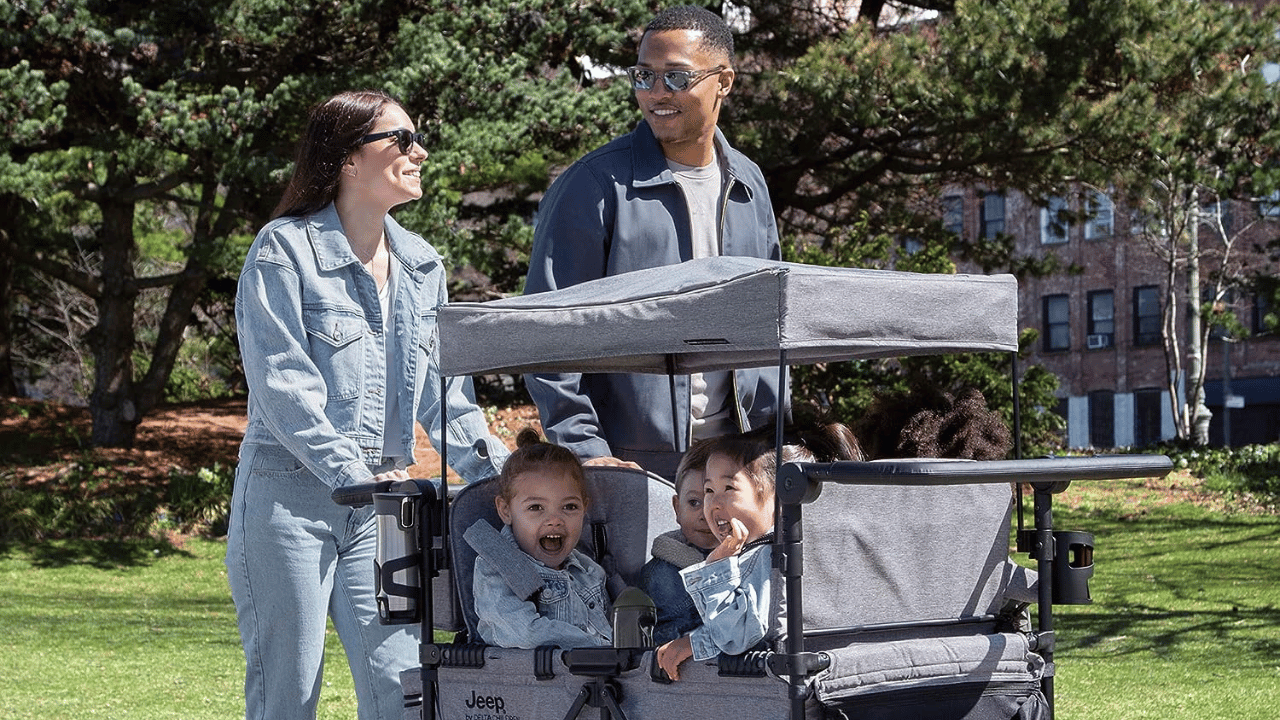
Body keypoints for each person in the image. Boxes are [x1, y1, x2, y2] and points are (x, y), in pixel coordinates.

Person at [227, 89, 510, 720]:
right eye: (402, 139)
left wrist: (505, 478)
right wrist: (353, 474)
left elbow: (447, 395)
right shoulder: (284, 250)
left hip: (384, 509)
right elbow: (284, 389)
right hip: (289, 502)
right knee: (288, 691)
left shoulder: (421, 265)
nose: (420, 152)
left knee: (404, 689)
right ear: (349, 159)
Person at [523, 4, 784, 480]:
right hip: (633, 464)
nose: (656, 93)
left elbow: (775, 320)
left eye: (677, 78)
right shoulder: (594, 185)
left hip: (744, 461)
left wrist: (774, 436)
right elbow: (543, 332)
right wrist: (587, 450)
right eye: (644, 76)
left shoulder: (749, 183)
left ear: (723, 81)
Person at [655, 418, 862, 680]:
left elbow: (736, 637)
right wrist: (694, 643)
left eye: (728, 488)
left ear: (778, 499)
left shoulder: (765, 556)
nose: (713, 503)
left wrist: (718, 566)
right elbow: (758, 628)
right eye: (708, 490)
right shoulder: (818, 546)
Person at [466, 429, 613, 649]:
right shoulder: (495, 567)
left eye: (569, 507)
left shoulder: (589, 571)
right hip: (528, 680)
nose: (555, 520)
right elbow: (525, 633)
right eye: (536, 508)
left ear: (585, 509)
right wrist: (601, 649)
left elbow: (611, 628)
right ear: (505, 510)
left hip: (597, 678)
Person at [640, 438, 718, 644]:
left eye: (716, 501)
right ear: (677, 508)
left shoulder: (755, 559)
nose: (704, 514)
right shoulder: (661, 575)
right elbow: (662, 645)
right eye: (694, 503)